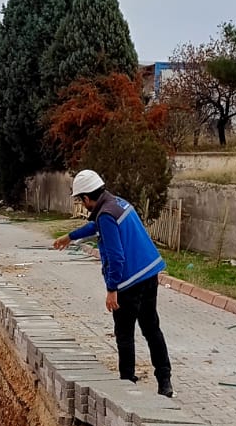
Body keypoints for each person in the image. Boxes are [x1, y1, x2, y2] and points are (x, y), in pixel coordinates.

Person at [53, 168, 174, 398]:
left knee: (124, 333)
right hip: (149, 273)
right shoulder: (117, 203)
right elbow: (95, 226)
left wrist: (112, 289)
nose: (82, 204)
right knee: (151, 328)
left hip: (128, 282)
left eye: (81, 200)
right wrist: (70, 236)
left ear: (87, 198)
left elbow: (116, 256)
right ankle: (165, 381)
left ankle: (126, 382)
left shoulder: (106, 215)